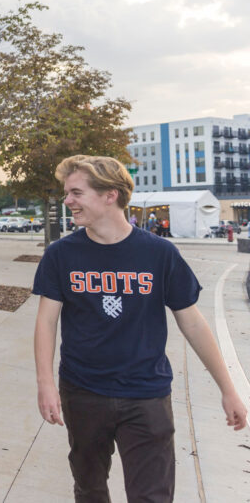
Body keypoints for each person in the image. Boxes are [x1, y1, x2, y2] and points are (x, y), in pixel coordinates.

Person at [33, 155, 248, 502]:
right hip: (83, 390)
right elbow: (46, 321)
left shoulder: (159, 253)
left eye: (76, 193)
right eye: (66, 193)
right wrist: (45, 384)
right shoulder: (61, 255)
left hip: (147, 394)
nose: (68, 201)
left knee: (153, 496)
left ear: (110, 195)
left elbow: (192, 322)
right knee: (89, 489)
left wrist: (228, 389)